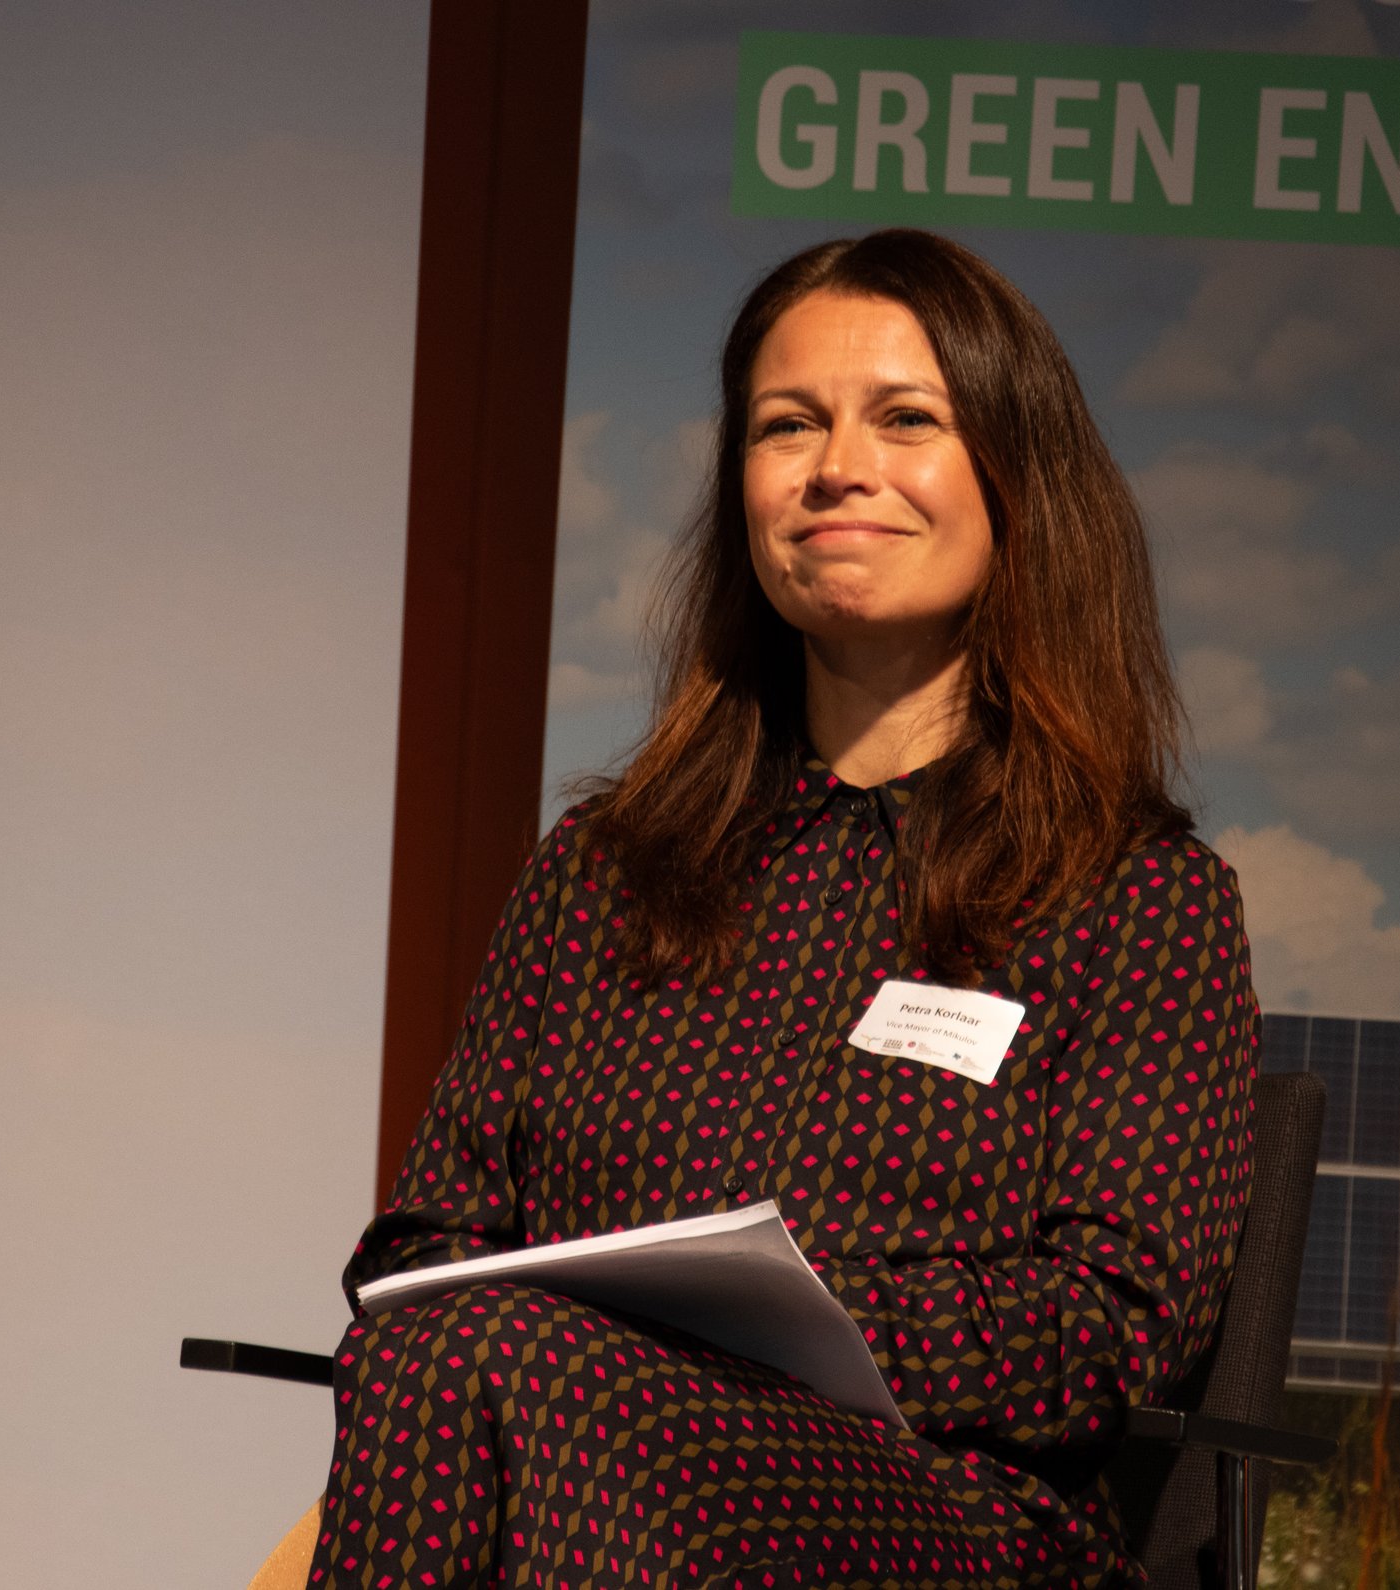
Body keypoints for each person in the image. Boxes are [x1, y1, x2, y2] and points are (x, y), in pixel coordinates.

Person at [308, 230, 1259, 1590]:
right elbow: (424, 1239)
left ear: (1017, 478)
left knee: (528, 1375)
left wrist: (791, 1328)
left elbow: (1105, 1328)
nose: (834, 467)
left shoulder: (1138, 897)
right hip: (572, 1448)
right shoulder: (604, 865)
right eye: (787, 424)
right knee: (440, 1348)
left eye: (906, 419)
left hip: (947, 1520)